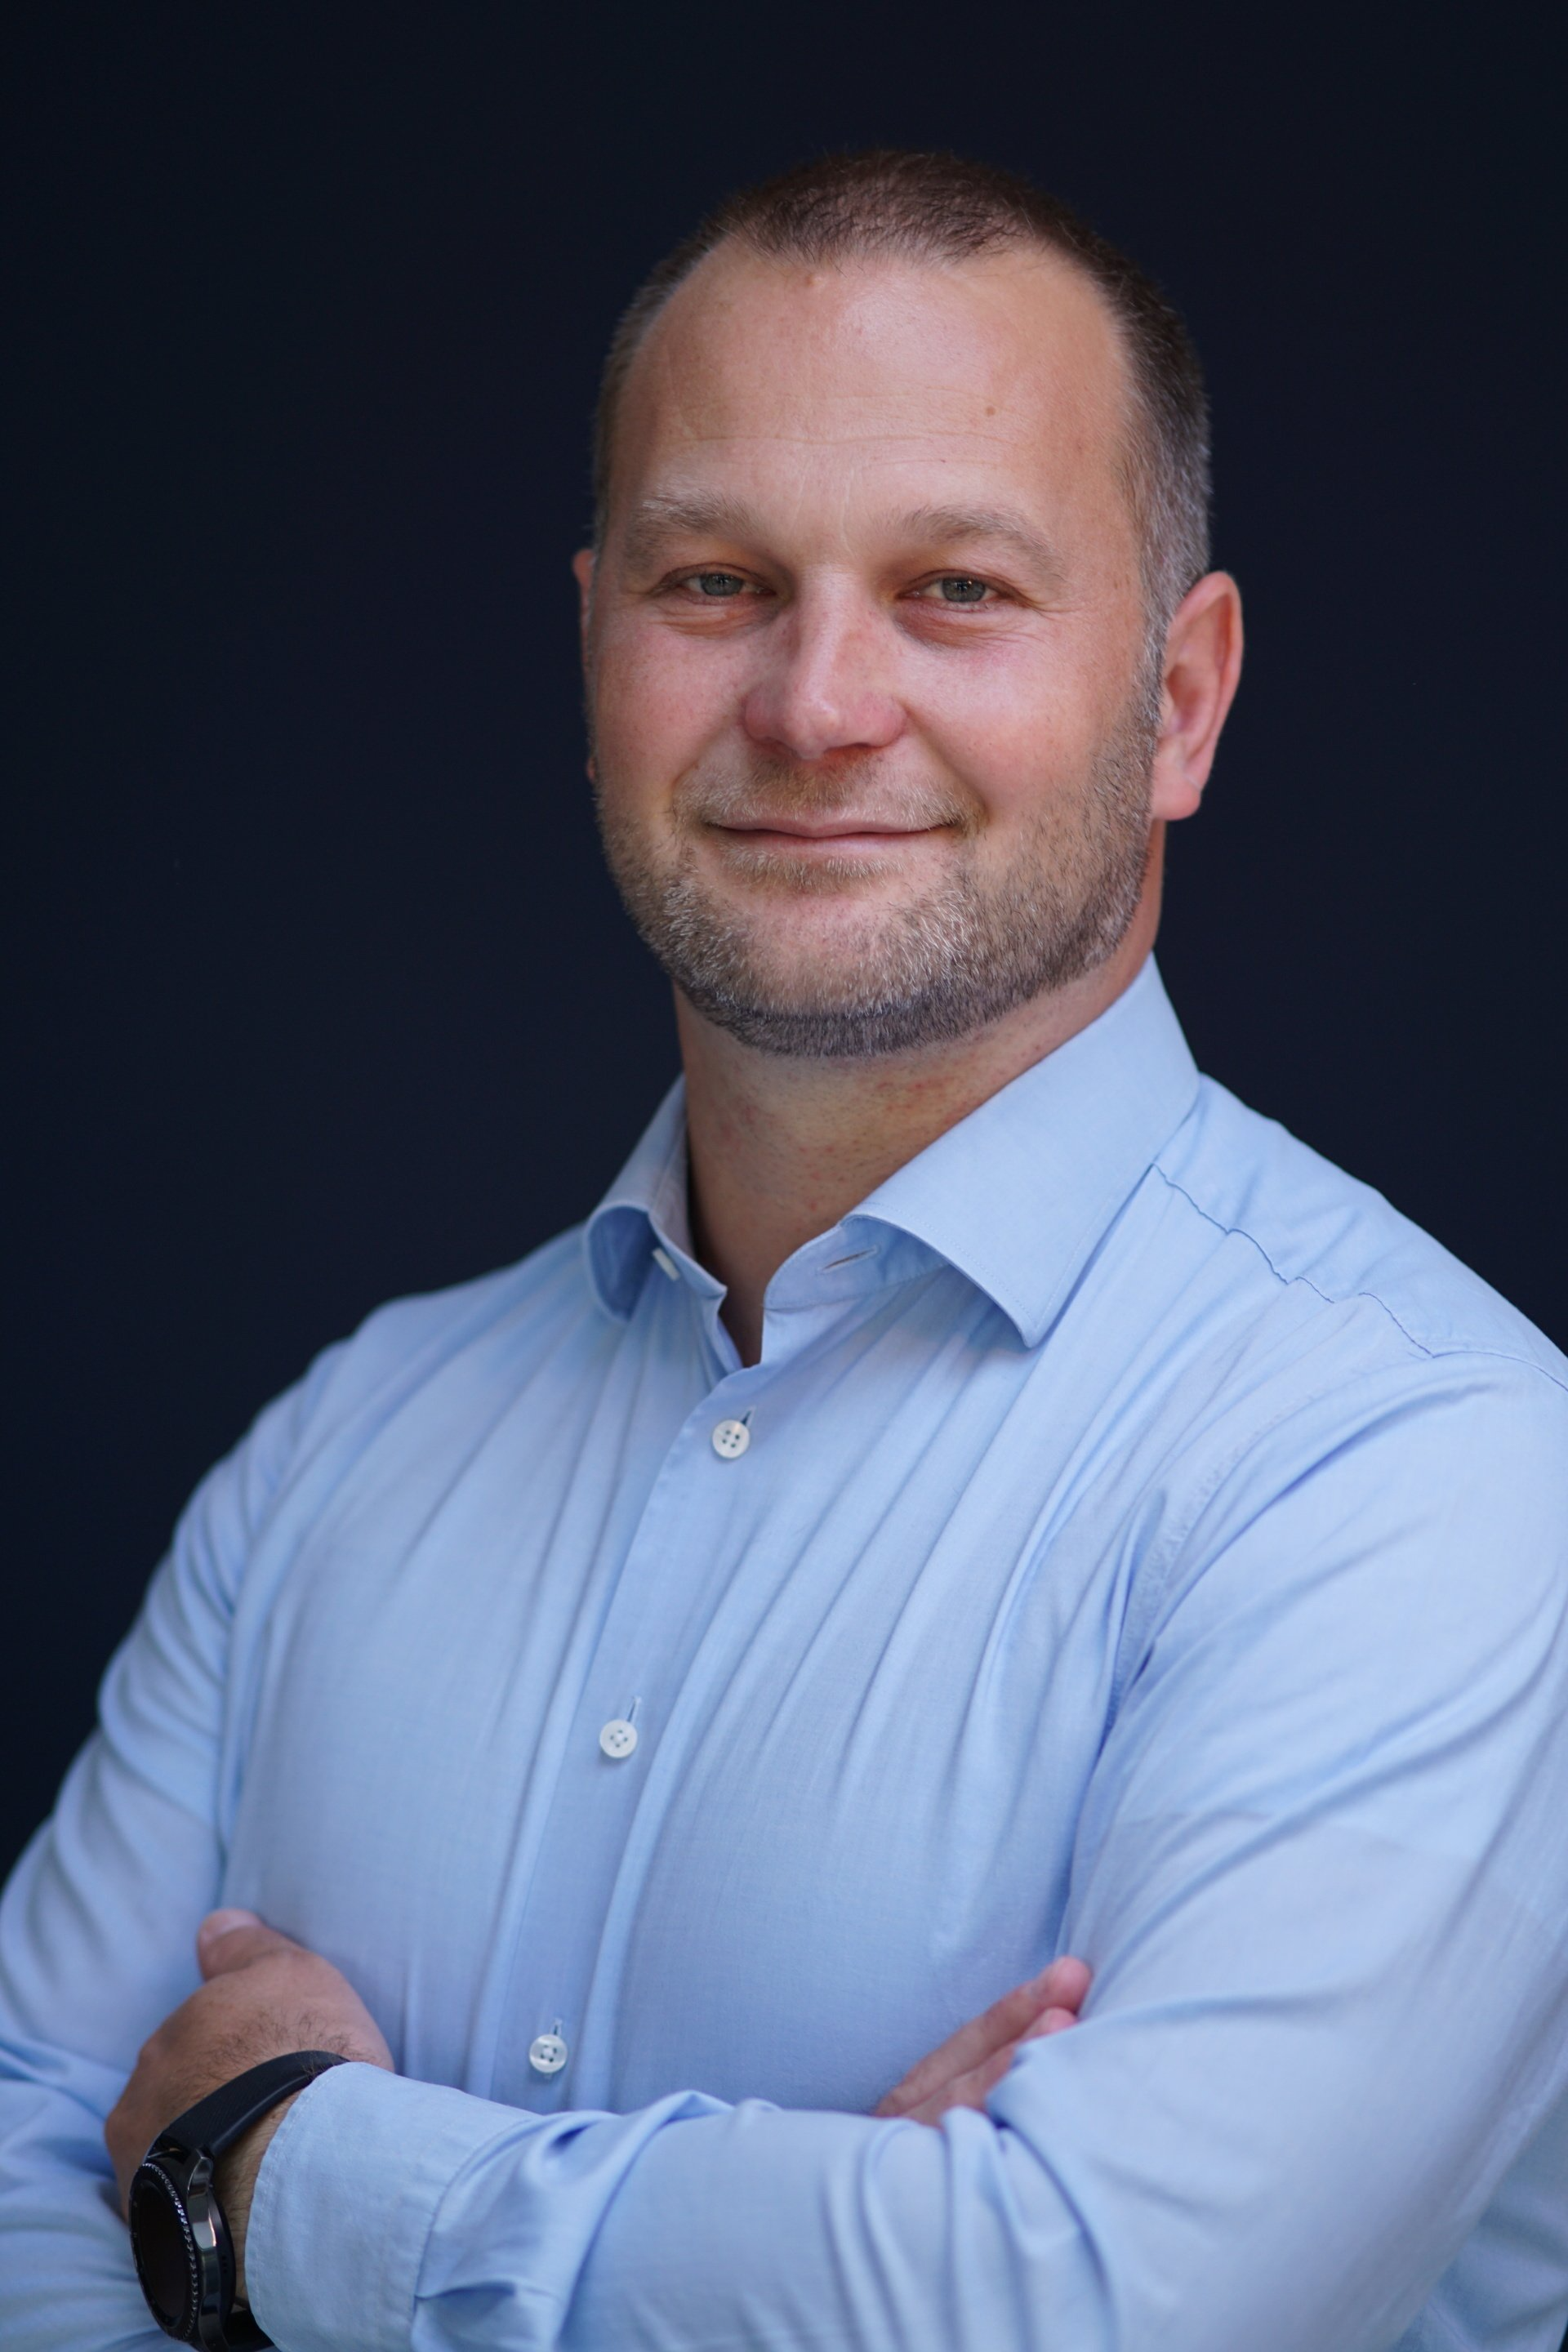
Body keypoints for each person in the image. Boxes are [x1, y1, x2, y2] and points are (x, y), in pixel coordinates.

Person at [2, 147, 1566, 2352]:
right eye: (717, 582)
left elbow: (1078, 2316)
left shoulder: (1428, 1468)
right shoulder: (342, 1453)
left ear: (1182, 701)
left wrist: (269, 2170)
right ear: (594, 649)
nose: (818, 704)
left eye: (957, 590)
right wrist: (840, 2251)